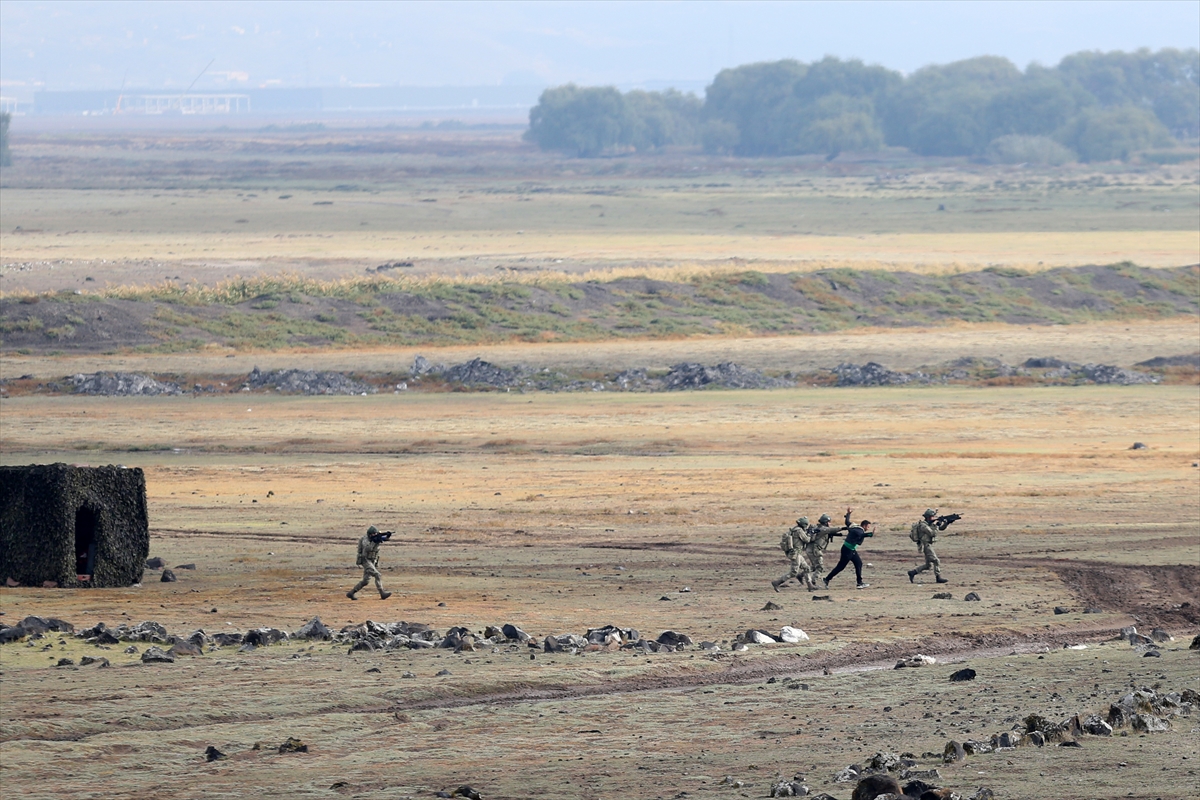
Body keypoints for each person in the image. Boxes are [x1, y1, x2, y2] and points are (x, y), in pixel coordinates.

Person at [824, 510, 874, 589]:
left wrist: (848, 514)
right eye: (868, 527)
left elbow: (847, 522)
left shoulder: (854, 526)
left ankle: (859, 583)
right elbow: (861, 535)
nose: (868, 528)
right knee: (840, 567)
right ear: (864, 526)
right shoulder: (859, 530)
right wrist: (871, 534)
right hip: (848, 550)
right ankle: (826, 579)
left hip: (850, 550)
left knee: (859, 563)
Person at [347, 525, 393, 600]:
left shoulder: (374, 538)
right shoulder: (365, 539)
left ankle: (351, 593)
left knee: (365, 581)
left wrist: (387, 536)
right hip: (365, 560)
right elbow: (368, 548)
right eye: (373, 534)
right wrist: (374, 541)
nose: (375, 535)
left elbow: (384, 539)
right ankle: (382, 593)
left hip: (372, 560)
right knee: (377, 575)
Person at [804, 512, 847, 589]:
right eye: (829, 522)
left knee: (814, 566)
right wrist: (846, 528)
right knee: (819, 567)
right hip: (815, 550)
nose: (830, 523)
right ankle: (813, 582)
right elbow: (834, 529)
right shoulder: (824, 529)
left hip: (810, 549)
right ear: (826, 522)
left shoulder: (818, 527)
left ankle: (801, 575)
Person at [771, 516, 814, 591]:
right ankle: (777, 583)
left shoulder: (794, 529)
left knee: (806, 568)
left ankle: (810, 586)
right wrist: (810, 533)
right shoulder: (799, 531)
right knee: (793, 572)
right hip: (796, 553)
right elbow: (807, 540)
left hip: (796, 553)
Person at [908, 508, 950, 584]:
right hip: (926, 545)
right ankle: (938, 577)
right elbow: (932, 533)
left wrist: (946, 523)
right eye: (932, 516)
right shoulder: (923, 526)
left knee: (928, 566)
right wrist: (937, 525)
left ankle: (913, 572)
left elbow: (941, 528)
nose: (934, 518)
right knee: (936, 560)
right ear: (928, 517)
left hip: (928, 544)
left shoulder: (929, 524)